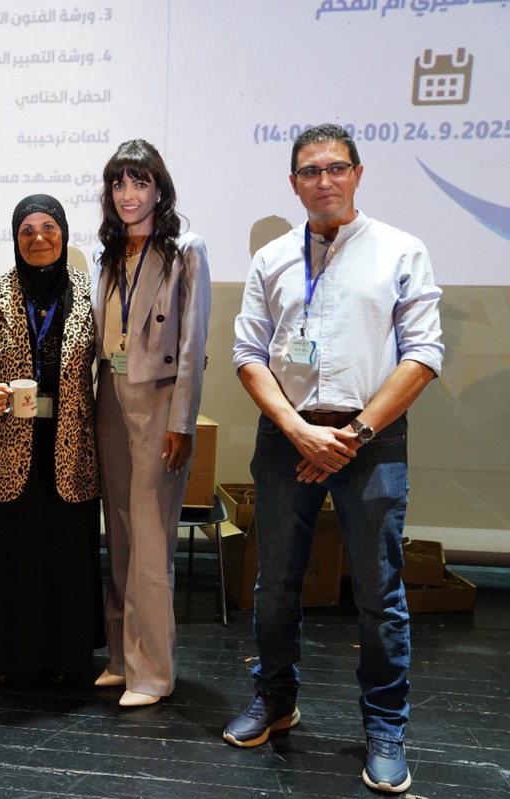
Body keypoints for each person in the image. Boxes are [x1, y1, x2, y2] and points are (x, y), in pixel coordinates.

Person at [227, 124, 444, 794]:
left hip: (372, 442)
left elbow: (423, 354)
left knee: (378, 593)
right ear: (293, 183)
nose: (324, 180)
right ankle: (275, 697)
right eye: (310, 171)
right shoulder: (271, 259)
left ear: (358, 173)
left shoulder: (401, 250)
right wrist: (298, 431)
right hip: (286, 439)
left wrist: (352, 434)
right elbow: (248, 355)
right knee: (275, 584)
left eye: (336, 167)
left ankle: (385, 725)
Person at [0, 194, 103, 683]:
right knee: (13, 557)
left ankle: (68, 658)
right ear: (15, 237)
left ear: (63, 233)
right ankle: (10, 655)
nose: (38, 238)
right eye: (27, 230)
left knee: (64, 555)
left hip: (70, 446)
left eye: (48, 228)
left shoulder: (90, 292)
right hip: (4, 444)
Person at [91, 140, 211, 706]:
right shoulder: (108, 251)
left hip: (160, 402)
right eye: (119, 184)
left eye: (139, 182)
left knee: (150, 539)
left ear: (159, 189)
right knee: (119, 533)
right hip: (111, 399)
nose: (128, 194)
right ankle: (122, 658)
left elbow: (192, 343)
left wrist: (182, 422)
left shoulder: (186, 249)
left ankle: (154, 673)